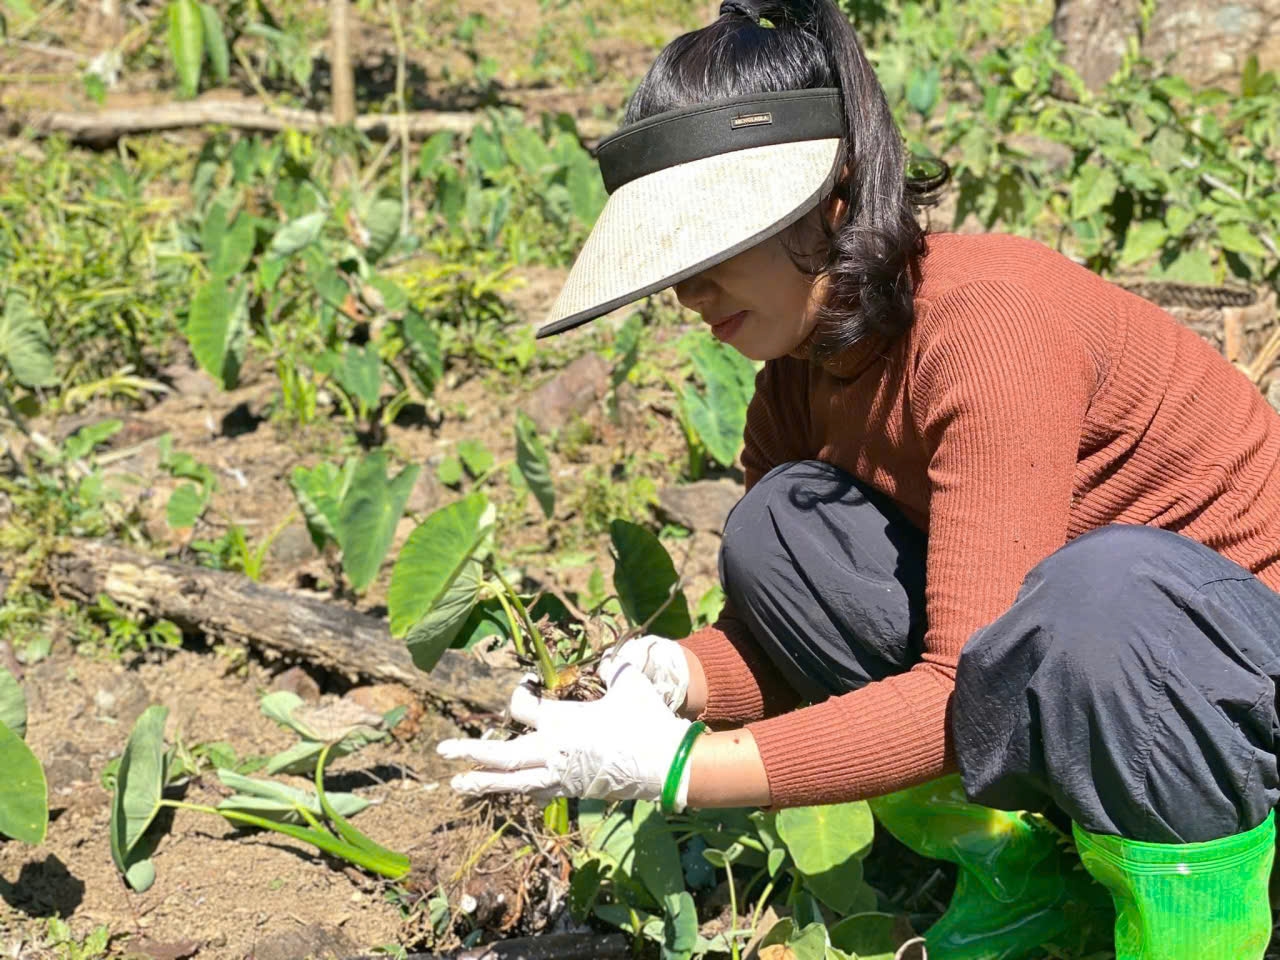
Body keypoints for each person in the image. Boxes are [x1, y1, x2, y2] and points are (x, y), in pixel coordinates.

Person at [436, 0, 1280, 956]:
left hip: (1235, 700)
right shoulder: (799, 382)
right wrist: (679, 678)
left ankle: (1200, 922)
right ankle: (1037, 888)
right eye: (674, 266)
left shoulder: (989, 327)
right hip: (1090, 691)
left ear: (831, 199)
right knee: (779, 531)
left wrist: (683, 773)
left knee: (1100, 600)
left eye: (715, 250)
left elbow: (966, 685)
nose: (690, 293)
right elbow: (786, 648)